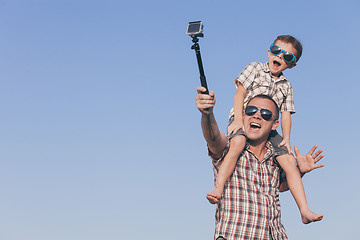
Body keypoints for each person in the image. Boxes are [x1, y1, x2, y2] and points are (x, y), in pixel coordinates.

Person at [206, 35, 322, 224]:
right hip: (244, 117)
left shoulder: (286, 86)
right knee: (237, 144)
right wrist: (237, 119)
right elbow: (240, 93)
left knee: (289, 164)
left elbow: (285, 114)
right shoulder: (255, 68)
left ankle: (304, 210)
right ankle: (218, 188)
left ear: (292, 65)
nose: (280, 57)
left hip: (269, 128)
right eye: (277, 51)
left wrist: (286, 139)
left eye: (288, 57)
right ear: (269, 51)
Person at [196, 86, 324, 240]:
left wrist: (300, 171)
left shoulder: (276, 158)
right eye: (251, 111)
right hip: (236, 235)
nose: (257, 116)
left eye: (265, 114)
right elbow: (213, 138)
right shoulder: (231, 149)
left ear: (274, 125)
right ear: (243, 116)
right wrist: (207, 114)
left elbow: (280, 187)